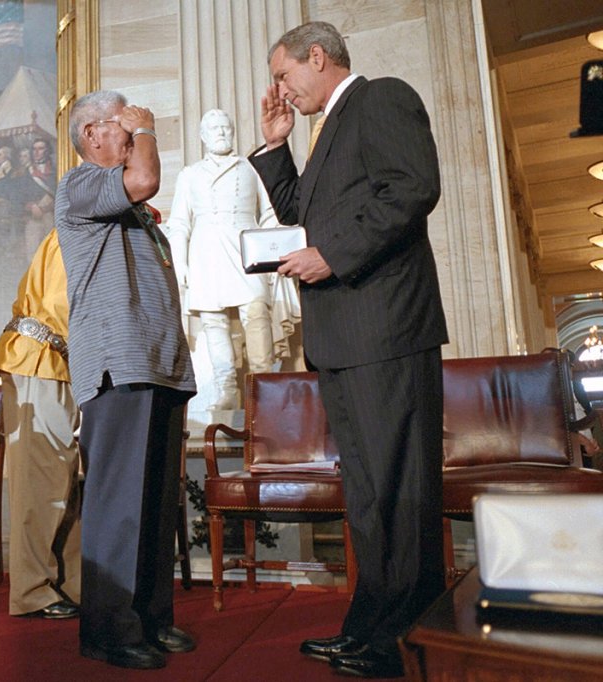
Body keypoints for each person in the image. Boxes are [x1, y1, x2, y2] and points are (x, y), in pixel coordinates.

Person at [250, 21, 447, 678]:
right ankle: (369, 628)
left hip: (384, 329)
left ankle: (403, 639)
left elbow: (412, 188)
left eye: (283, 74)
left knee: (399, 486)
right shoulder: (323, 130)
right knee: (368, 493)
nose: (279, 89)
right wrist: (276, 146)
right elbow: (301, 209)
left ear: (316, 56)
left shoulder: (380, 98)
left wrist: (332, 254)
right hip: (343, 337)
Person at [56, 90, 197, 671]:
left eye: (135, 124)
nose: (134, 129)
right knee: (119, 502)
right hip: (119, 363)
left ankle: (151, 617)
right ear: (93, 134)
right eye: (123, 123)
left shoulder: (135, 213)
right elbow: (142, 180)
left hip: (160, 363)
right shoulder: (81, 183)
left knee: (158, 502)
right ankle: (109, 629)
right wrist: (150, 131)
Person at [168, 109, 300, 409]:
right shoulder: (190, 175)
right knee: (214, 323)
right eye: (214, 128)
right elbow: (179, 223)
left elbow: (268, 214)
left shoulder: (250, 168)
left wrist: (275, 251)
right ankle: (227, 387)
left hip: (246, 250)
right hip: (206, 253)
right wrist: (181, 264)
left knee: (256, 313)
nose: (221, 133)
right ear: (202, 136)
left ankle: (263, 385)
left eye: (226, 127)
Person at [0, 228, 81, 621]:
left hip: (54, 363)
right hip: (40, 360)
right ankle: (31, 591)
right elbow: (66, 311)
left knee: (63, 481)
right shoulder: (79, 228)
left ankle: (66, 584)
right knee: (40, 484)